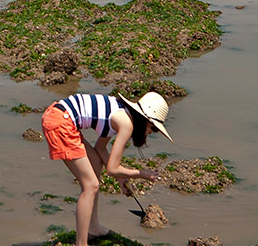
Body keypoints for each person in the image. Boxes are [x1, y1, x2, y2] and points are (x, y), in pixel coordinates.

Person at [42, 91, 171, 246]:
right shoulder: (126, 124)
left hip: (60, 116)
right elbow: (112, 168)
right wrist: (141, 174)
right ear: (143, 119)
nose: (150, 132)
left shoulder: (120, 112)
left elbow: (100, 149)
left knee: (96, 162)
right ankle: (81, 243)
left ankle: (94, 226)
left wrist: (121, 179)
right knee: (91, 186)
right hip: (60, 122)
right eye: (152, 128)